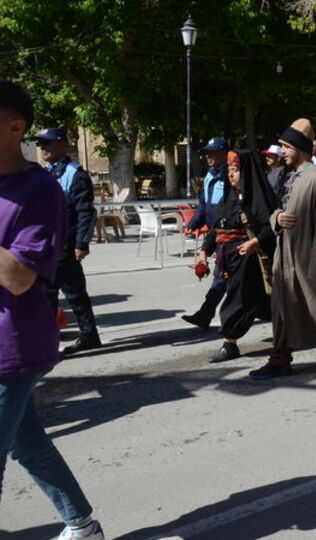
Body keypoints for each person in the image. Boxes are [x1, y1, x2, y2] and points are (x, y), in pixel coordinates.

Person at [0, 80, 104, 540]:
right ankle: (82, 524)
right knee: (29, 443)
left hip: (11, 347)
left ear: (15, 127)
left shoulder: (41, 190)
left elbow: (19, 276)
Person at [248, 119, 316, 380]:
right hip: (285, 256)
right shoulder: (289, 176)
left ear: (300, 148)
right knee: (282, 308)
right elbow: (276, 210)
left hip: (307, 258)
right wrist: (277, 218)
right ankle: (280, 357)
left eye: (286, 147)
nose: (282, 152)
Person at [201, 150, 278, 363]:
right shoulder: (228, 197)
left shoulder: (259, 198)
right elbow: (217, 227)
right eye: (229, 171)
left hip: (249, 257)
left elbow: (271, 226)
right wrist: (204, 251)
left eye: (236, 170)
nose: (231, 175)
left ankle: (230, 342)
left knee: (238, 298)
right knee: (258, 300)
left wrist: (255, 242)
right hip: (228, 258)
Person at [31, 127, 101, 355]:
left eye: (47, 144)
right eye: (40, 144)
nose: (42, 148)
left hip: (65, 245)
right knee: (72, 293)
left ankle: (49, 342)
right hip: (47, 245)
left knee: (53, 294)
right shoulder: (46, 172)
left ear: (62, 145)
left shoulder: (75, 173)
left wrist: (82, 243)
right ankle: (88, 334)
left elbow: (85, 212)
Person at [182, 136, 230, 328]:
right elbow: (204, 204)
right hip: (214, 232)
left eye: (212, 153)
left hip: (227, 231)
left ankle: (205, 314)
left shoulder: (231, 175)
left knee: (221, 276)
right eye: (206, 153)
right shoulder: (210, 175)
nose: (207, 156)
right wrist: (193, 223)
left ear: (224, 154)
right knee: (225, 277)